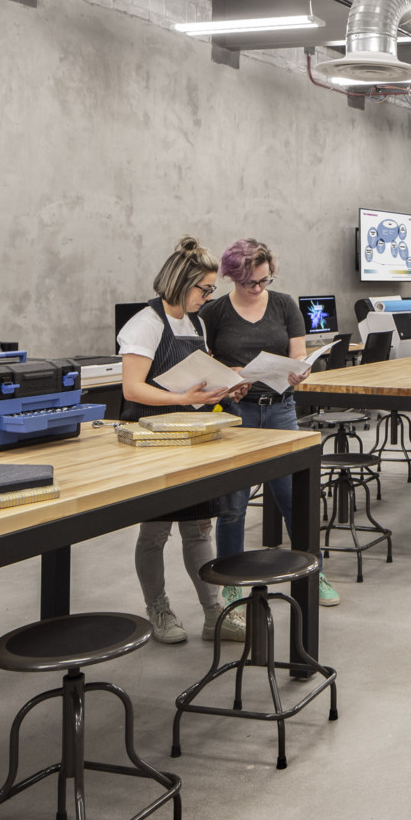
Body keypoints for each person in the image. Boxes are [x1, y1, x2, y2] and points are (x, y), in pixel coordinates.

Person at [117, 236, 247, 644]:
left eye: (211, 290)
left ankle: (215, 614)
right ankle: (159, 610)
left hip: (190, 438)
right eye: (203, 289)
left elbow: (196, 375)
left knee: (199, 530)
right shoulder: (144, 325)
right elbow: (132, 389)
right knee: (155, 532)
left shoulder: (196, 323)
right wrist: (181, 399)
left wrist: (223, 389)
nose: (207, 298)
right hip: (154, 441)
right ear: (179, 282)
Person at [201, 238, 339, 607]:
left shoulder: (283, 304)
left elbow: (298, 355)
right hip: (236, 414)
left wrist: (300, 371)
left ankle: (314, 571)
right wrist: (226, 374)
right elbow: (204, 363)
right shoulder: (214, 313)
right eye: (251, 283)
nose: (258, 288)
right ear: (232, 276)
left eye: (265, 280)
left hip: (280, 408)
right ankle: (231, 579)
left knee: (293, 497)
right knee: (233, 504)